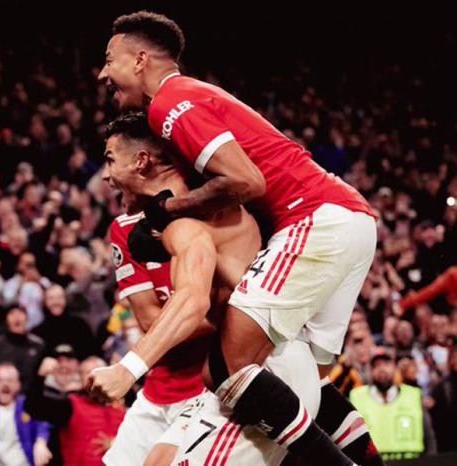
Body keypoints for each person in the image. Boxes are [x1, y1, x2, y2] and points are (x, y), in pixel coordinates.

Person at [97, 12, 378, 466]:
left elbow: (247, 181)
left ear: (141, 59)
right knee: (309, 375)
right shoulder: (195, 102)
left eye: (110, 59)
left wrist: (167, 211)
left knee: (228, 367)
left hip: (312, 217)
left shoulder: (169, 103)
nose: (102, 73)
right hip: (347, 219)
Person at [91, 113, 332, 465]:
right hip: (227, 373)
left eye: (111, 160)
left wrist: (128, 368)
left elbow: (192, 301)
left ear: (142, 161)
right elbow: (163, 314)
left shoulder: (199, 217)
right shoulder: (156, 222)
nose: (105, 174)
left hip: (259, 368)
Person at [26, 356, 125, 466]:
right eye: (88, 372)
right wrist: (40, 377)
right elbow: (34, 407)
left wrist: (118, 444)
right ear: (81, 378)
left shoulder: (121, 409)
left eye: (100, 371)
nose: (95, 377)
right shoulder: (70, 405)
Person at [350, 350, 437, 461]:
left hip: (411, 462)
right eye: (376, 365)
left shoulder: (413, 395)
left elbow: (429, 436)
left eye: (387, 364)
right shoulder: (357, 397)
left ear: (395, 368)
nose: (382, 369)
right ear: (371, 371)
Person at [0, 363, 52, 466]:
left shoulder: (28, 406)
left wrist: (41, 441)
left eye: (10, 380)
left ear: (18, 385)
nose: (5, 384)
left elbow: (43, 422)